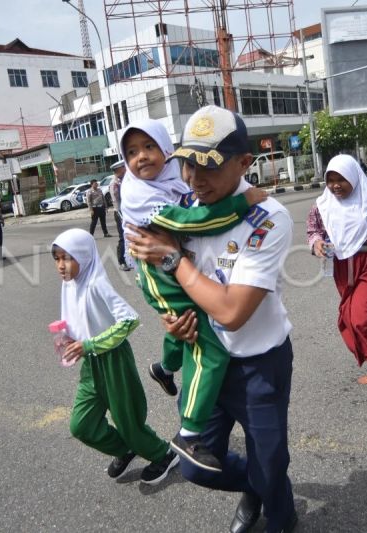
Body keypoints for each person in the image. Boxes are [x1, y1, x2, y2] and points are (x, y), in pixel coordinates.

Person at [127, 105, 297, 533]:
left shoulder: (267, 216)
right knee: (195, 465)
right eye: (186, 163)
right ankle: (258, 485)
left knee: (271, 459)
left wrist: (171, 259)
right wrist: (174, 319)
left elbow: (231, 311)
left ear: (244, 163)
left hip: (260, 364)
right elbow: (166, 283)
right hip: (205, 357)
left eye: (209, 166)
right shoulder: (183, 206)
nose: (194, 178)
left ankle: (278, 510)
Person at [119, 117, 267, 474]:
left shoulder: (172, 181)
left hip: (175, 270)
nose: (141, 157)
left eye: (149, 147)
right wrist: (244, 201)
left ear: (167, 151)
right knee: (208, 347)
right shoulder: (139, 194)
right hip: (159, 273)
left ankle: (164, 367)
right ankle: (189, 433)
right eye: (131, 152)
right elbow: (194, 222)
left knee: (183, 327)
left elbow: (190, 210)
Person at [51, 228, 179, 485]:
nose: (61, 266)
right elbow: (81, 320)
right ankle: (125, 449)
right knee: (81, 425)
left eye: (67, 258)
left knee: (127, 420)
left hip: (114, 361)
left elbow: (130, 320)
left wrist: (90, 343)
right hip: (92, 365)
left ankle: (163, 454)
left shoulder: (96, 283)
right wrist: (69, 338)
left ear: (84, 257)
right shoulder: (70, 286)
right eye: (57, 259)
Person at [307, 154, 367, 383]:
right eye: (330, 180)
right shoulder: (322, 205)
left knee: (362, 316)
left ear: (354, 177)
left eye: (341, 179)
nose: (335, 186)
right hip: (341, 266)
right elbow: (313, 230)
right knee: (349, 317)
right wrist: (316, 243)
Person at [108, 160, 131, 270]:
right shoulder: (115, 184)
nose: (125, 169)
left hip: (129, 211)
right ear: (118, 170)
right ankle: (121, 261)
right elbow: (116, 201)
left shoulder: (126, 180)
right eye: (123, 168)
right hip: (120, 213)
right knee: (123, 237)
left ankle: (130, 258)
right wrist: (121, 215)